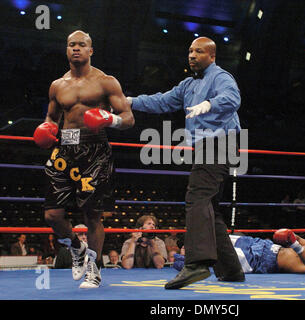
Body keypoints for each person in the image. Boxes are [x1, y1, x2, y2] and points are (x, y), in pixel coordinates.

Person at [127, 36, 244, 289]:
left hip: (220, 142)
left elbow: (233, 98)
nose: (192, 55)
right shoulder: (188, 84)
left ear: (211, 56)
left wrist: (208, 104)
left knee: (197, 197)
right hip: (205, 145)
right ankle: (232, 270)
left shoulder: (220, 76)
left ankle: (197, 263)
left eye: (198, 51)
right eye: (190, 50)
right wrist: (131, 102)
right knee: (210, 208)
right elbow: (162, 100)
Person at [33, 30, 135, 288]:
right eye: (71, 45)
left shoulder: (106, 82)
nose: (76, 48)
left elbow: (129, 118)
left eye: (81, 45)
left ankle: (95, 268)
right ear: (66, 50)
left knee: (93, 215)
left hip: (94, 151)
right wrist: (47, 128)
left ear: (91, 50)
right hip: (64, 152)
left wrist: (109, 119)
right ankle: (78, 249)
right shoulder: (57, 85)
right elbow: (51, 117)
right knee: (52, 215)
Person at [174, 229, 305, 274]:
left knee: (223, 256)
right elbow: (292, 235)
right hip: (262, 245)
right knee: (221, 238)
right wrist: (287, 234)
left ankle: (189, 262)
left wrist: (294, 243)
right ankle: (190, 248)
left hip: (260, 262)